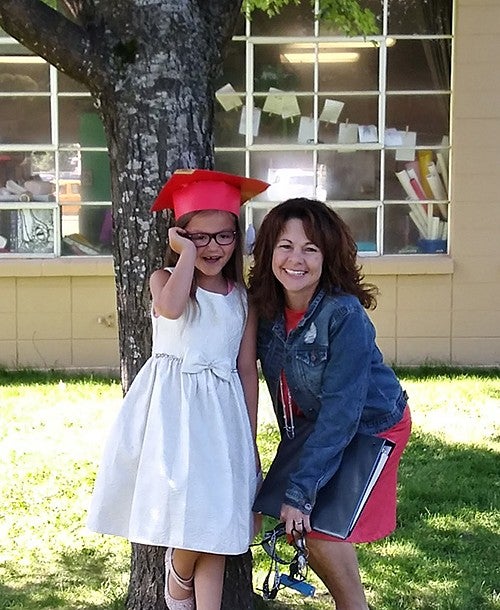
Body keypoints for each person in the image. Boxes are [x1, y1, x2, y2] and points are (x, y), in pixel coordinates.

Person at [87, 169, 269, 610]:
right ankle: (178, 569)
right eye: (198, 238)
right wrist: (183, 255)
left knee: (220, 525)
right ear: (180, 237)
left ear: (238, 238)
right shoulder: (165, 280)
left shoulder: (242, 300)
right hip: (175, 413)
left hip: (222, 418)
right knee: (195, 512)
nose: (213, 248)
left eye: (224, 237)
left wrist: (249, 435)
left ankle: (197, 594)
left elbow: (246, 368)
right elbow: (169, 309)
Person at [248, 198, 411, 610]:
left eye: (310, 249)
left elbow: (344, 411)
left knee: (316, 526)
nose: (295, 259)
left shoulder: (343, 314)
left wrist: (302, 490)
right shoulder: (264, 310)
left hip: (372, 423)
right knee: (297, 522)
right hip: (315, 424)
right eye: (285, 246)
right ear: (269, 251)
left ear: (327, 257)